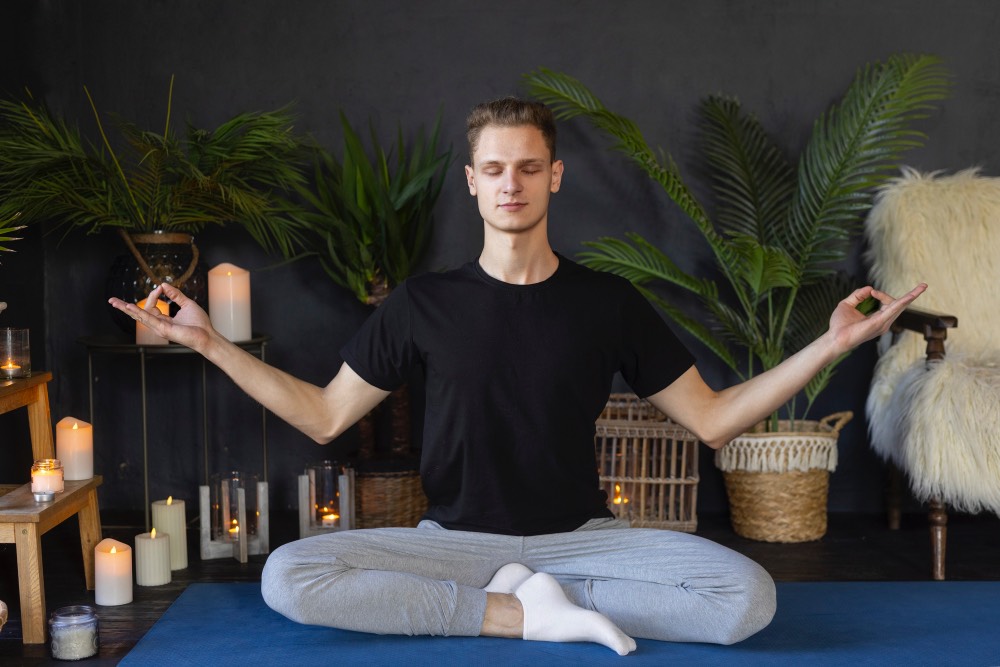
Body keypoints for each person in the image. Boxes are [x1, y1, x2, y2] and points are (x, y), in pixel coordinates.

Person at [110, 97, 926, 656]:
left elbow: (712, 418)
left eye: (529, 167)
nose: (511, 184)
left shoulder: (608, 301)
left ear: (554, 176)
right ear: (472, 181)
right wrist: (210, 343)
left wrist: (831, 344)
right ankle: (522, 614)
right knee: (290, 574)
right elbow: (326, 414)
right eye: (495, 169)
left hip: (585, 541)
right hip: (457, 544)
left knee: (749, 597)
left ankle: (541, 596)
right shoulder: (422, 303)